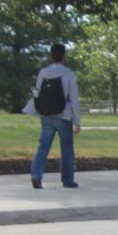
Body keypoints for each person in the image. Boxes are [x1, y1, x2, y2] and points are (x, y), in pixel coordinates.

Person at [24, 43, 82, 189]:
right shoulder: (69, 74)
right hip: (63, 115)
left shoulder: (43, 72)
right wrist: (77, 122)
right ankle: (67, 180)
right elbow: (74, 99)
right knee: (67, 148)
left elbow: (36, 92)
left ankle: (36, 175)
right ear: (64, 56)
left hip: (46, 114)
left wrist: (38, 109)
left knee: (43, 147)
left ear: (51, 56)